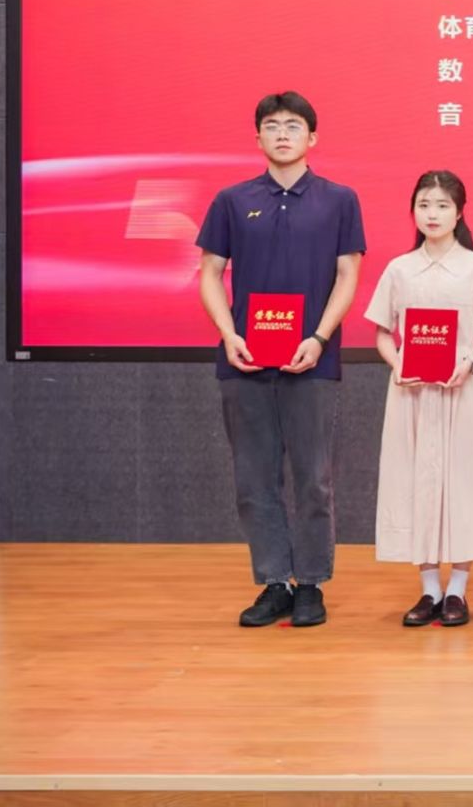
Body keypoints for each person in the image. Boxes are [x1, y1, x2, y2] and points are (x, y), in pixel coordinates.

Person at [196, 91, 366, 629]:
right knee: (254, 479)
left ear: (312, 136)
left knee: (314, 478)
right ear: (258, 137)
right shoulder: (232, 200)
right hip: (245, 360)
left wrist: (319, 336)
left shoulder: (339, 200)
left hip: (313, 360)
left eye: (294, 125)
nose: (283, 134)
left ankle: (311, 583)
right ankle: (275, 582)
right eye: (272, 126)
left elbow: (348, 275)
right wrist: (228, 334)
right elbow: (210, 273)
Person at [365, 170, 473, 628]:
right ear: (413, 210)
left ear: (459, 212)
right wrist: (397, 364)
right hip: (412, 393)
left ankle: (457, 591)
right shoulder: (399, 269)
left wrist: (471, 360)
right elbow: (383, 332)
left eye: (443, 205)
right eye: (424, 204)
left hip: (463, 391)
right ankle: (429, 589)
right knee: (416, 483)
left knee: (464, 484)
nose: (432, 214)